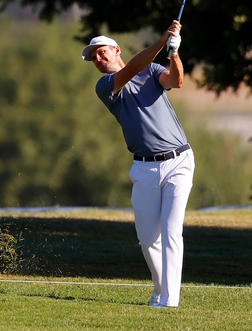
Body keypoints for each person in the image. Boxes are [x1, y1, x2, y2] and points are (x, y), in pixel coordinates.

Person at [82, 20, 194, 308]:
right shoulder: (105, 85)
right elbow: (131, 69)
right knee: (148, 240)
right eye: (93, 56)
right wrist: (162, 40)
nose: (97, 58)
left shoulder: (153, 70)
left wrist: (174, 52)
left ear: (116, 49)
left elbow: (177, 81)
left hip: (178, 160)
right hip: (144, 168)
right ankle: (159, 290)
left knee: (171, 232)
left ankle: (169, 301)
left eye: (101, 52)